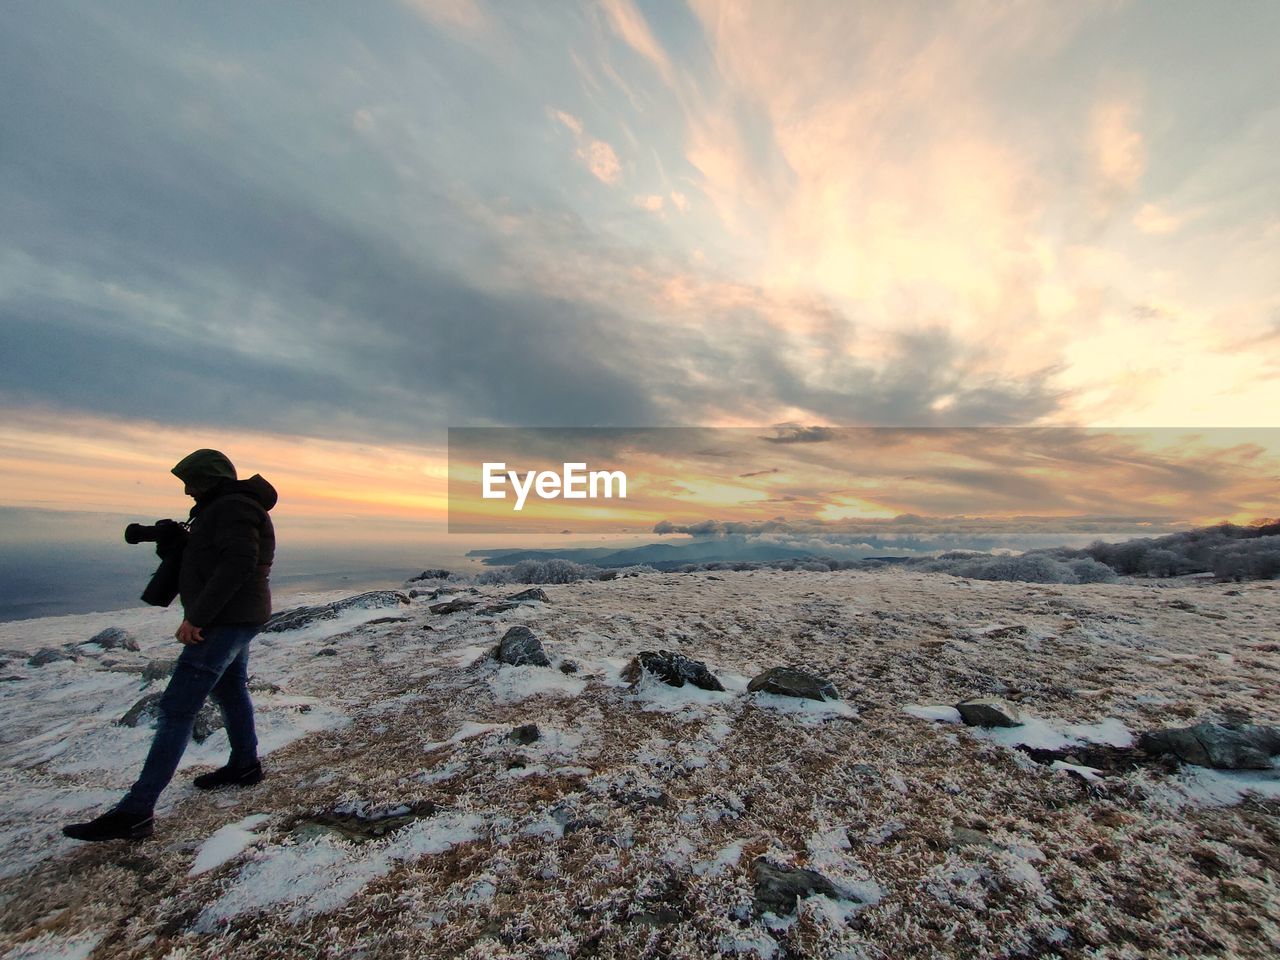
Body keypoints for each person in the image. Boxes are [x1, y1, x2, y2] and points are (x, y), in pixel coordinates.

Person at [63, 449, 278, 842]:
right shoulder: (222, 508)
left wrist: (199, 617)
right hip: (234, 617)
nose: (187, 491)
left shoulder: (233, 508)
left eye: (191, 482)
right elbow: (212, 560)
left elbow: (239, 564)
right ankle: (245, 765)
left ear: (210, 479)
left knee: (177, 709)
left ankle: (136, 810)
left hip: (225, 620)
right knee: (229, 690)